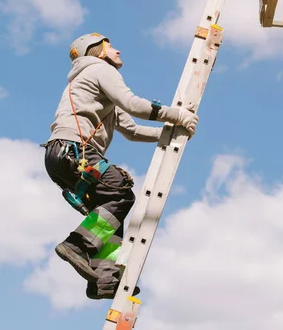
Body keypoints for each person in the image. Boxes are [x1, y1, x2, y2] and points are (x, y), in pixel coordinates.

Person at [42, 32, 199, 300]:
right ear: (97, 51)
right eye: (111, 46)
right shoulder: (100, 69)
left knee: (109, 216)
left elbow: (132, 130)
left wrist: (173, 134)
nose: (118, 51)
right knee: (121, 193)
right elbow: (133, 104)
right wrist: (178, 114)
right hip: (74, 150)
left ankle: (104, 278)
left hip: (60, 156)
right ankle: (75, 245)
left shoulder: (91, 82)